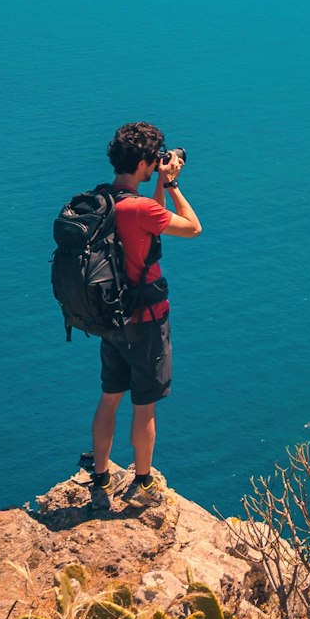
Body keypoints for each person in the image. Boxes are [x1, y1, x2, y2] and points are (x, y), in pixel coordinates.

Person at [84, 121, 201, 508]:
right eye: (154, 160)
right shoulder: (141, 208)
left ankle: (100, 478)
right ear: (145, 162)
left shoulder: (103, 200)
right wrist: (172, 183)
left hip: (110, 319)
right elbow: (193, 228)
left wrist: (157, 185)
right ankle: (144, 481)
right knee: (144, 403)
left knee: (109, 397)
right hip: (146, 320)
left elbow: (147, 228)